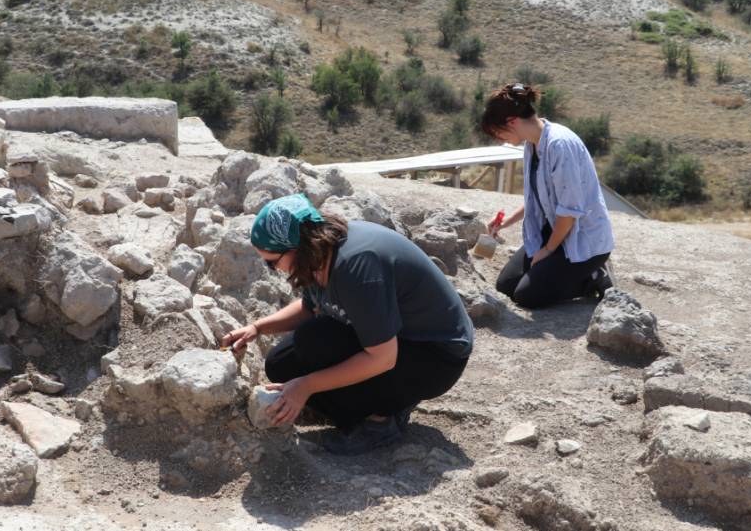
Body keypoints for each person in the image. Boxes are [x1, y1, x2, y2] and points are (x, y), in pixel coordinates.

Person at [220, 194, 473, 455]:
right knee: (282, 364)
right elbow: (310, 308)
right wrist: (258, 328)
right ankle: (359, 404)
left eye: (272, 262)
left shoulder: (356, 266)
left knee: (309, 370)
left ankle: (382, 420)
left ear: (297, 247)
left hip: (434, 356)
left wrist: (306, 386)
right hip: (394, 339)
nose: (272, 269)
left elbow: (382, 358)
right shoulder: (319, 252)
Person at [481, 83, 615, 309]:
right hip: (554, 231)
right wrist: (505, 223)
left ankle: (592, 277)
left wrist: (547, 250)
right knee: (506, 286)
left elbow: (569, 212)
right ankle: (561, 272)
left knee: (527, 296)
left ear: (512, 122)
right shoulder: (531, 145)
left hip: (582, 240)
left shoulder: (559, 145)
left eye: (498, 132)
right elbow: (538, 197)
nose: (499, 139)